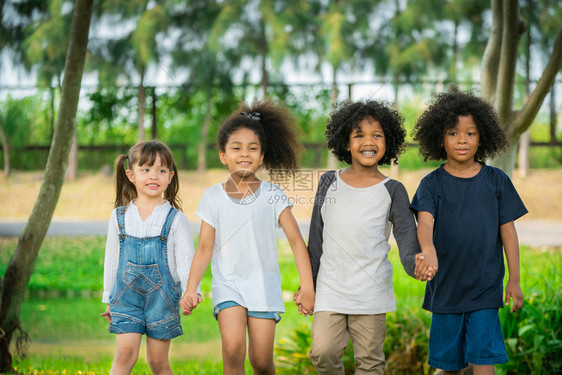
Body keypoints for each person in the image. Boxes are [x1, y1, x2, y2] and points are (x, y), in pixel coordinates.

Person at [180, 101, 315, 375]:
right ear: (222, 155)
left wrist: (308, 287)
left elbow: (297, 243)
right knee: (232, 351)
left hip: (264, 287)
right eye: (236, 148)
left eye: (252, 148)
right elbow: (205, 248)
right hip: (228, 285)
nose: (245, 154)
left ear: (262, 156)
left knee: (261, 362)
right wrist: (191, 288)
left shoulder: (273, 195)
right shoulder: (212, 197)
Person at [410, 88, 527, 375]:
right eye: (453, 133)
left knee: (484, 363)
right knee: (448, 368)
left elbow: (509, 233)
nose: (462, 139)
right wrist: (428, 250)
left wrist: (514, 279)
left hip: (485, 289)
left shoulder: (497, 181)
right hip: (446, 289)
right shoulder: (431, 184)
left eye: (470, 133)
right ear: (440, 138)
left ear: (482, 137)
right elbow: (424, 223)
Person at [306, 99, 422, 374]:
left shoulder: (393, 189)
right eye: (358, 135)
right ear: (346, 143)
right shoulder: (328, 182)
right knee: (323, 352)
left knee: (370, 362)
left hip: (371, 292)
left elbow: (406, 234)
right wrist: (307, 284)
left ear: (388, 142)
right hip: (330, 289)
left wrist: (415, 264)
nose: (367, 142)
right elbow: (316, 238)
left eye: (377, 135)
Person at [101, 140, 196, 375]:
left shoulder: (175, 219)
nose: (154, 176)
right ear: (131, 175)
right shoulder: (119, 216)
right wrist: (109, 298)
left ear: (170, 176)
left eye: (161, 170)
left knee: (158, 362)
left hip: (162, 299)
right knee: (124, 355)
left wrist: (191, 291)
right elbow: (112, 260)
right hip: (125, 297)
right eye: (146, 170)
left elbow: (187, 260)